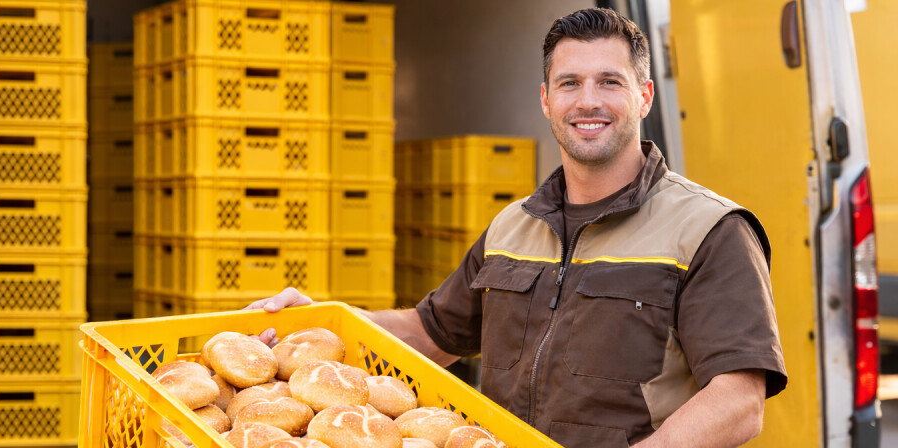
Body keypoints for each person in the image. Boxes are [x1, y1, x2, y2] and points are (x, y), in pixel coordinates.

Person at [246, 8, 786, 448]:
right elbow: (428, 334)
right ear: (546, 100)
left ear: (643, 96)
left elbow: (739, 400)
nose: (588, 100)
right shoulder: (513, 226)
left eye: (610, 82)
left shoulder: (709, 229)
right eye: (569, 83)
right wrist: (324, 321)